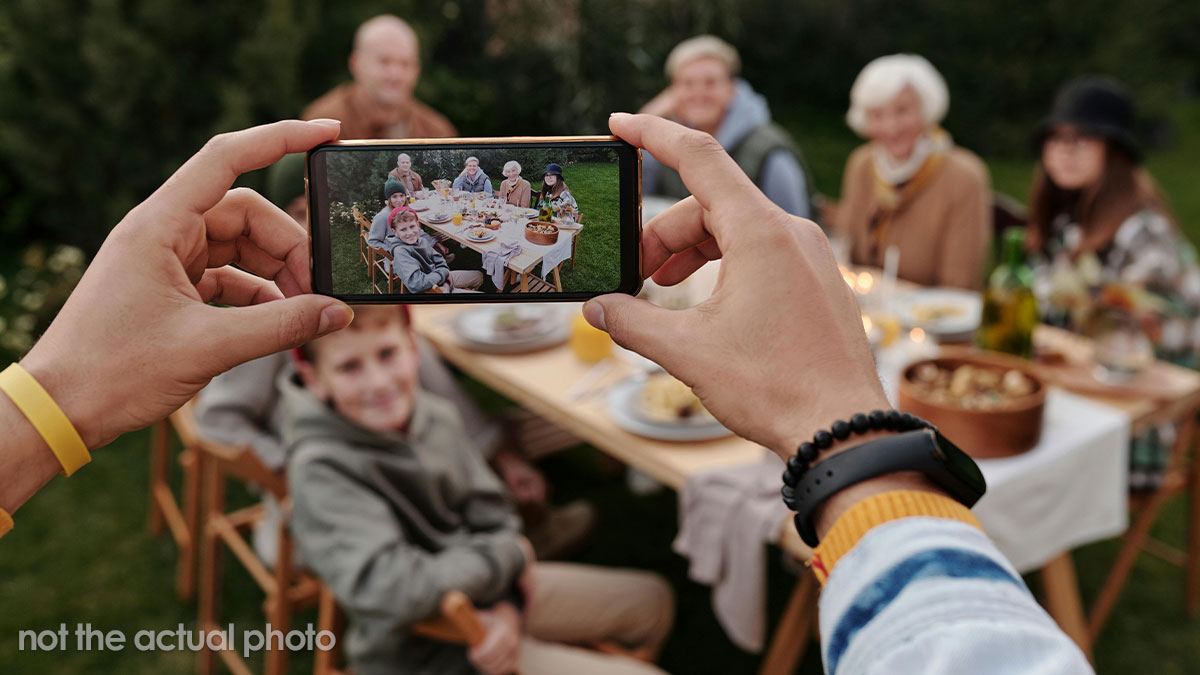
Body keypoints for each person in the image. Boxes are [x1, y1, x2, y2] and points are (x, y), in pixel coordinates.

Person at [0, 116, 1090, 674]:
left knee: (643, 596)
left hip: (488, 571)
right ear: (305, 355)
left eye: (393, 356)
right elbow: (386, 578)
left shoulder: (428, 396)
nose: (386, 373)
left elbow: (468, 482)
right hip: (443, 637)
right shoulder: (331, 453)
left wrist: (47, 403)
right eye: (358, 359)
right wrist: (503, 566)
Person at [283, 305, 675, 675]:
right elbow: (391, 588)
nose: (379, 382)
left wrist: (507, 605)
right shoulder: (321, 468)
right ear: (316, 381)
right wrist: (504, 560)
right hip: (431, 650)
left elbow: (495, 512)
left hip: (493, 596)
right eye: (350, 366)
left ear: (413, 347)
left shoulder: (436, 416)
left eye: (387, 354)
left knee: (653, 601)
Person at [1026, 76, 1200, 491]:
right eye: (1056, 138)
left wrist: (1090, 314)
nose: (1065, 151)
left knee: (1013, 451)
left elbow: (1157, 348)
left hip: (1139, 416)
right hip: (1078, 386)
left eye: (1083, 139)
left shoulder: (1144, 235)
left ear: (1115, 152)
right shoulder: (1069, 223)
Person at [834, 54, 991, 289]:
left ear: (925, 109)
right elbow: (845, 252)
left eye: (902, 111)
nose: (891, 127)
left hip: (931, 320)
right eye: (877, 115)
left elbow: (959, 284)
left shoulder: (964, 177)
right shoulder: (861, 164)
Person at [639, 35, 814, 219]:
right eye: (687, 83)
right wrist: (649, 117)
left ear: (732, 89)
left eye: (710, 82)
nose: (699, 93)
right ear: (672, 92)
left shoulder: (769, 153)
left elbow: (796, 228)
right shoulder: (662, 146)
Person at [302, 15, 456, 140]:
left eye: (406, 63)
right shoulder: (322, 124)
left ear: (417, 69)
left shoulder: (437, 132)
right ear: (355, 64)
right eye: (384, 61)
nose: (396, 75)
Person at [389, 206, 483, 293]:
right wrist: (444, 279)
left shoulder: (421, 241)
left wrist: (445, 279)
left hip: (440, 278)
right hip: (434, 290)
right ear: (395, 232)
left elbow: (440, 259)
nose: (409, 233)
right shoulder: (401, 252)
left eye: (412, 226)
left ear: (418, 225)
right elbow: (417, 284)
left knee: (479, 276)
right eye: (403, 230)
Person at [368, 177, 412, 250]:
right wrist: (391, 250)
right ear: (389, 199)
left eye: (402, 195)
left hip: (410, 245)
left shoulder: (406, 211)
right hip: (399, 251)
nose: (399, 200)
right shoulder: (382, 216)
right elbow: (373, 241)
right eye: (394, 197)